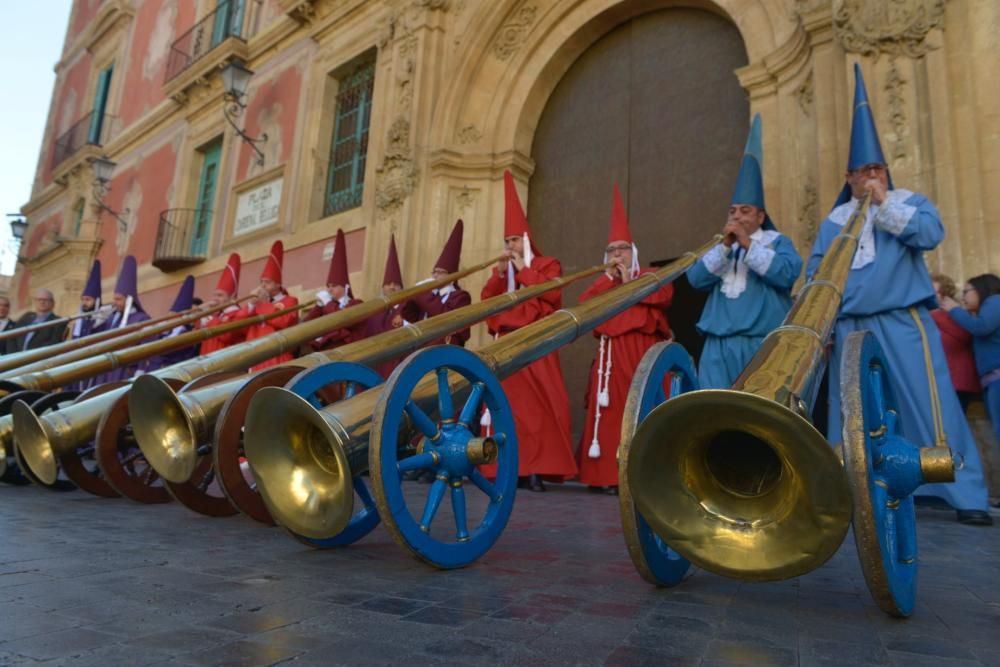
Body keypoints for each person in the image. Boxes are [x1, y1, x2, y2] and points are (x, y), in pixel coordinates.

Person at [807, 64, 991, 526]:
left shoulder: (909, 202)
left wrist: (885, 204)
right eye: (862, 171)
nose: (870, 176)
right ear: (848, 176)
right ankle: (852, 490)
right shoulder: (834, 222)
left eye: (877, 169)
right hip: (849, 326)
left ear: (885, 171)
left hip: (903, 318)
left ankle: (963, 493)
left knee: (930, 404)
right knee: (853, 411)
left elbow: (931, 234)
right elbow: (817, 274)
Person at [687, 114, 803, 389]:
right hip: (717, 345)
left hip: (761, 341)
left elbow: (787, 274)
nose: (737, 216)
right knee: (714, 407)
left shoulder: (777, 242)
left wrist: (748, 245)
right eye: (732, 211)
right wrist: (726, 247)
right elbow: (695, 279)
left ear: (761, 217)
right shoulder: (721, 247)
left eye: (745, 211)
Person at [480, 170, 577, 492]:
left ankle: (538, 468)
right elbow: (487, 304)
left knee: (541, 410)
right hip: (506, 346)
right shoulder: (504, 271)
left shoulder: (547, 265)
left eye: (515, 240)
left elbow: (551, 294)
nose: (510, 245)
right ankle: (511, 468)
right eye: (507, 241)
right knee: (511, 411)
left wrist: (523, 269)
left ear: (527, 239)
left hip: (537, 347)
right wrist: (498, 275)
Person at [576, 185, 673, 495]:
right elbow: (584, 304)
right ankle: (603, 476)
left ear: (634, 252)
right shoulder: (604, 284)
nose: (617, 254)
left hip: (640, 354)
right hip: (609, 360)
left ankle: (636, 475)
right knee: (607, 416)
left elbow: (663, 295)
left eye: (622, 249)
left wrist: (629, 281)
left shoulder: (649, 274)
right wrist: (608, 277)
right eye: (611, 250)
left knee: (639, 410)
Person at [941, 274, 1000, 449]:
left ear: (981, 289)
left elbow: (981, 327)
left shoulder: (995, 300)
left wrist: (954, 310)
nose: (963, 297)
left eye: (966, 291)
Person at [234, 241, 300, 371]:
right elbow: (239, 326)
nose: (263, 286)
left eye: (268, 282)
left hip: (277, 355)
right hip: (255, 356)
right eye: (261, 282)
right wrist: (251, 304)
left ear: (278, 284)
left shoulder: (290, 301)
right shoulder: (257, 304)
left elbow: (284, 321)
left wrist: (263, 305)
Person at [365, 234, 419, 378]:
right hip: (377, 363)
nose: (392, 287)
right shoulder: (376, 311)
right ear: (383, 288)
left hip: (400, 361)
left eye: (396, 284)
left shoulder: (409, 305)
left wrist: (404, 322)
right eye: (388, 284)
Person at [303, 229, 365, 351]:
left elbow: (343, 319)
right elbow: (307, 324)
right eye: (328, 286)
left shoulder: (356, 303)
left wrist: (327, 303)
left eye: (334, 286)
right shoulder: (325, 306)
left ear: (345, 287)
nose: (330, 290)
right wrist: (318, 305)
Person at [412, 221, 471, 346]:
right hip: (422, 347)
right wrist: (411, 297)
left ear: (451, 275)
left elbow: (443, 315)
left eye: (440, 272)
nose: (435, 276)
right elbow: (410, 316)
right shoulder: (431, 295)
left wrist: (421, 294)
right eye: (434, 272)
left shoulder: (460, 296)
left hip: (444, 348)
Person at [931, 274, 981, 410]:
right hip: (943, 381)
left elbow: (966, 335)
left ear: (945, 296)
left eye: (933, 292)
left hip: (958, 381)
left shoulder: (955, 315)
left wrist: (934, 314)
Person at [142, 275, 199, 372]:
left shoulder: (185, 333)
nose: (169, 319)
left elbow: (165, 350)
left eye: (173, 316)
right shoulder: (167, 332)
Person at [199, 253, 246, 356]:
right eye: (214, 295)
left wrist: (210, 318)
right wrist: (202, 315)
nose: (215, 299)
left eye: (220, 295)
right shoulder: (216, 316)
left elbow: (227, 336)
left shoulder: (238, 314)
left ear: (232, 297)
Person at [5, 289, 67, 354]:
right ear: (34, 302)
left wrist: (31, 356)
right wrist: (13, 355)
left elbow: (53, 342)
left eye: (46, 300)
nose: (42, 302)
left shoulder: (58, 321)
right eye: (39, 299)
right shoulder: (27, 316)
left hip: (37, 358)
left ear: (52, 303)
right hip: (15, 358)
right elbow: (12, 336)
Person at [70, 259, 105, 341]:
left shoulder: (102, 320)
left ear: (96, 301)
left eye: (88, 300)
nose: (84, 302)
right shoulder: (79, 321)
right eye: (83, 299)